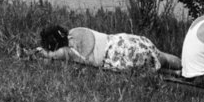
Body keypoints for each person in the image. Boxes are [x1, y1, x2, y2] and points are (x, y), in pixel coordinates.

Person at [35, 24, 181, 73]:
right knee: (162, 56)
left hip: (121, 55)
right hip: (124, 40)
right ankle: (187, 68)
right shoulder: (77, 31)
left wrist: (39, 51)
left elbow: (46, 54)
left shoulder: (64, 52)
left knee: (153, 64)